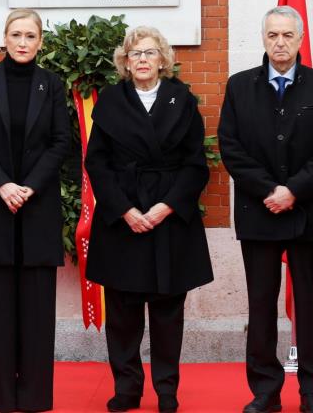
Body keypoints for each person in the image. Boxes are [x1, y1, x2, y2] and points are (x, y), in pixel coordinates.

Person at [218, 6, 313, 413]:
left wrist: (293, 191)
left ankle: (312, 394)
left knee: (309, 308)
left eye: (288, 35)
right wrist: (268, 190)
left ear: (301, 39)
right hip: (259, 212)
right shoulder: (239, 87)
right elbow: (230, 148)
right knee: (261, 307)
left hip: (307, 213)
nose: (280, 42)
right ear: (263, 38)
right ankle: (265, 392)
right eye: (273, 35)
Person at [84, 26, 214, 413]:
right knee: (122, 313)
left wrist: (165, 207)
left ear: (163, 59)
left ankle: (167, 390)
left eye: (150, 52)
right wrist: (125, 210)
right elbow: (97, 163)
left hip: (169, 219)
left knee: (167, 312)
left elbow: (195, 165)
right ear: (125, 62)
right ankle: (127, 387)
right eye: (135, 53)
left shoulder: (182, 100)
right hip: (123, 218)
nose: (142, 59)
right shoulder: (109, 100)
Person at [0, 8, 70, 412]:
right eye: (16, 34)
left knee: (38, 310)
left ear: (40, 41)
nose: (23, 42)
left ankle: (35, 397)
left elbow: (60, 142)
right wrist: (3, 184)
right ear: (4, 39)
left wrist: (29, 186)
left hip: (37, 207)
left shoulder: (52, 84)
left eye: (30, 35)